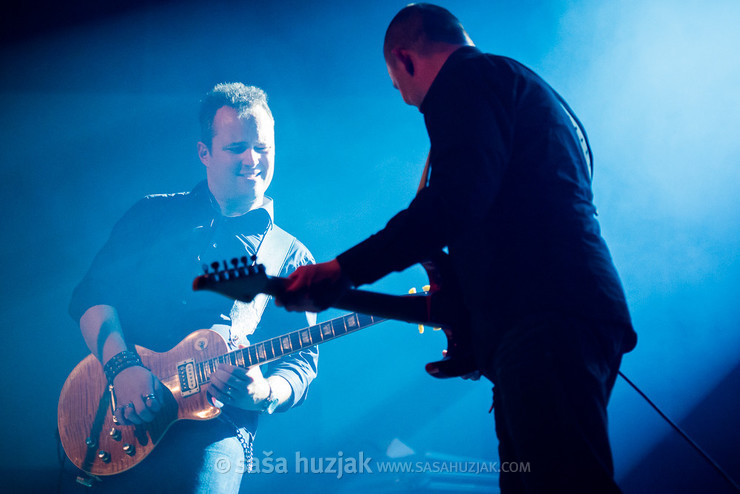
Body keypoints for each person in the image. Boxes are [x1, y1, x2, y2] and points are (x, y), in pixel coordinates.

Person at [277, 4, 637, 493]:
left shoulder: (466, 81)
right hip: (554, 314)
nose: (406, 100)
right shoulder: (513, 84)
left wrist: (345, 270)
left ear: (404, 59)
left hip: (544, 321)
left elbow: (456, 201)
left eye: (396, 85)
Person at [67, 83, 318, 492]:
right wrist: (121, 367)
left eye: (263, 147)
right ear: (205, 152)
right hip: (115, 412)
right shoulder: (151, 215)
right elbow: (93, 296)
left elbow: (303, 362)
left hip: (214, 433)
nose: (253, 159)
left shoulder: (290, 257)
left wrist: (264, 391)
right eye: (237, 147)